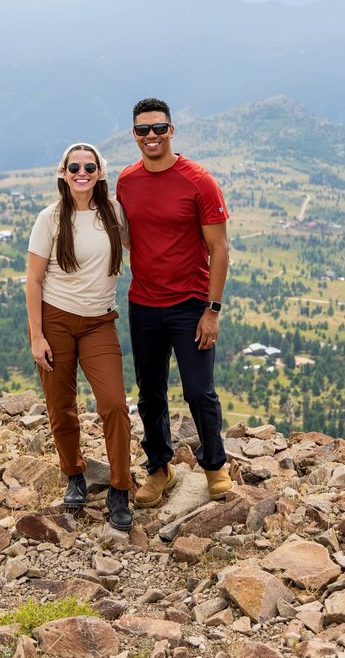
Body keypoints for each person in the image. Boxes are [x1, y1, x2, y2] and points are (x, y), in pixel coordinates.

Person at [116, 97, 232, 507]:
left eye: (159, 128)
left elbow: (219, 249)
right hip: (143, 304)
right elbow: (128, 236)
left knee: (200, 391)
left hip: (190, 305)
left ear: (171, 130)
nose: (151, 136)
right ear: (134, 134)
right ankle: (159, 468)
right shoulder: (126, 181)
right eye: (143, 130)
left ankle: (215, 465)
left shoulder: (198, 181)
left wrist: (211, 311)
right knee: (150, 392)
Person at [26, 142, 133, 531]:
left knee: (114, 404)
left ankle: (120, 488)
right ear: (64, 172)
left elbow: (143, 248)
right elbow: (34, 281)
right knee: (61, 404)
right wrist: (37, 337)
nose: (81, 172)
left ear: (100, 172)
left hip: (99, 322)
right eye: (74, 167)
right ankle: (74, 474)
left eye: (89, 166)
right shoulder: (50, 219)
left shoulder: (113, 213)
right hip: (55, 320)